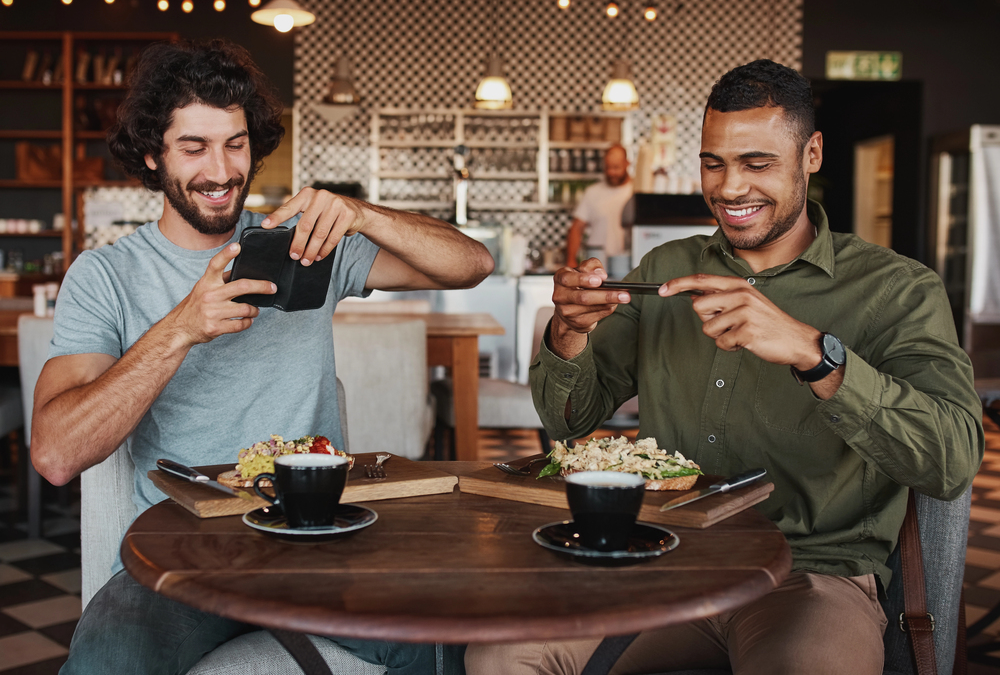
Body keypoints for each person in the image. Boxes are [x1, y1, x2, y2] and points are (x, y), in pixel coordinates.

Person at [466, 59, 984, 675]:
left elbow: (951, 463)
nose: (731, 188)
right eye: (715, 163)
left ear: (811, 154)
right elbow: (566, 418)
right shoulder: (667, 268)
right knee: (501, 656)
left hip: (811, 576)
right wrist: (569, 332)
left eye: (758, 164)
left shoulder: (898, 290)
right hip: (661, 559)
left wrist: (815, 355)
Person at [29, 39, 493, 675]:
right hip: (183, 557)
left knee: (448, 641)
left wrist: (361, 214)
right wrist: (181, 329)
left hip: (319, 545)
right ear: (150, 155)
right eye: (193, 147)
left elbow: (473, 265)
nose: (221, 170)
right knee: (104, 663)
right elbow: (55, 454)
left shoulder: (307, 248)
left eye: (235, 143)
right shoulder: (106, 276)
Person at [565, 144, 633, 272]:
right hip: (595, 268)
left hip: (627, 266)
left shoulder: (636, 192)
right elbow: (576, 228)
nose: (611, 172)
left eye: (616, 167)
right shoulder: (593, 192)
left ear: (627, 164)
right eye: (607, 168)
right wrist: (571, 260)